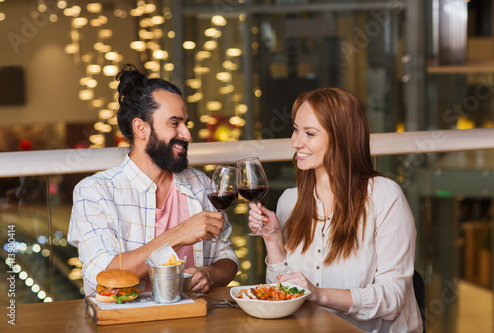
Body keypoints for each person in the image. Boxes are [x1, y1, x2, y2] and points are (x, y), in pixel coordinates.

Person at [248, 88, 423, 332]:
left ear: (342, 138)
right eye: (296, 129)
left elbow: (392, 300)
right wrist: (273, 241)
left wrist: (318, 294)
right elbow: (283, 294)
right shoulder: (290, 201)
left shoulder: (385, 196)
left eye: (309, 133)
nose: (296, 141)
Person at [68, 64, 238, 296]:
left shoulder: (202, 185)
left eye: (185, 124)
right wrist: (178, 235)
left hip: (195, 318)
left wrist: (211, 273)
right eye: (174, 123)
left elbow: (227, 258)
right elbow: (103, 275)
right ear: (141, 128)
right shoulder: (94, 192)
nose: (186, 134)